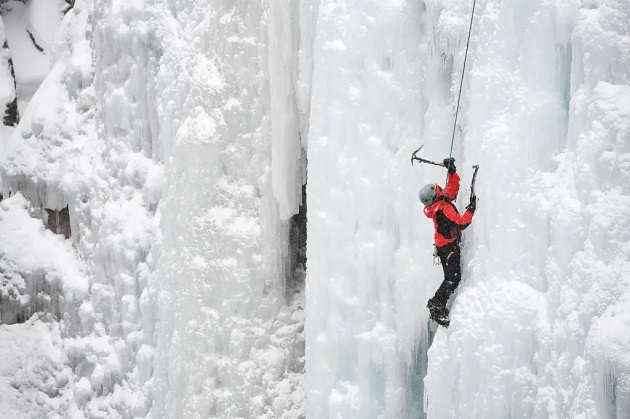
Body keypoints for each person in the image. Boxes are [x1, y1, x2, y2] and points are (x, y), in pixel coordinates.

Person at [418, 157, 476, 327]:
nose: (441, 189)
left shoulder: (439, 203)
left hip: (445, 247)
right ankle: (436, 305)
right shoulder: (443, 209)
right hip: (448, 248)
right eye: (438, 189)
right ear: (436, 195)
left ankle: (437, 303)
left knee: (453, 277)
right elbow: (461, 223)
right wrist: (471, 210)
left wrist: (451, 171)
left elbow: (452, 189)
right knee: (452, 278)